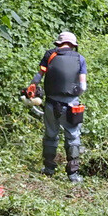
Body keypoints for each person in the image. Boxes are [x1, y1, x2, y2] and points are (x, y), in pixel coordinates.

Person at [25, 31, 87, 183]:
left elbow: (38, 77)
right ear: (73, 45)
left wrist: (31, 89)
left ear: (59, 43)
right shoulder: (80, 58)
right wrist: (74, 95)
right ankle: (73, 175)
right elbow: (83, 87)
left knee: (50, 135)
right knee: (73, 137)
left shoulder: (50, 55)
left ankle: (48, 169)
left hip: (51, 104)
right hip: (72, 107)